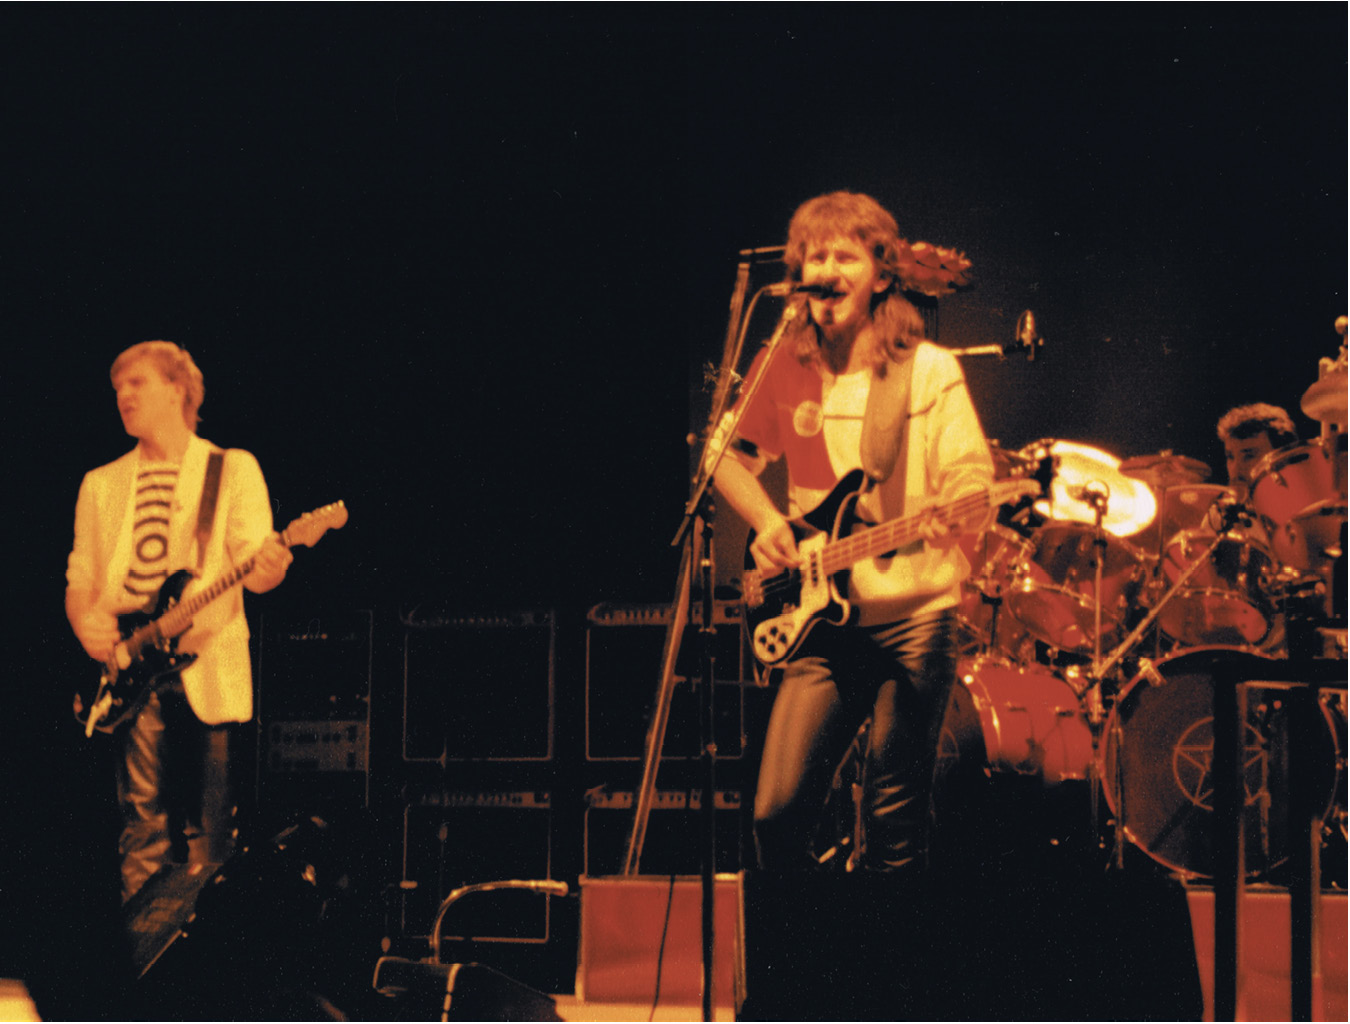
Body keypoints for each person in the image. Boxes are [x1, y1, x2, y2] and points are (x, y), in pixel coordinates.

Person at [711, 191, 994, 873]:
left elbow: (973, 482)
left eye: (844, 255)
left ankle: (884, 975)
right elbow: (723, 459)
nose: (825, 267)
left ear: (880, 274)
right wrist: (769, 521)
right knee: (775, 815)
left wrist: (956, 502)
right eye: (814, 255)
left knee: (892, 819)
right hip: (822, 617)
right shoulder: (784, 364)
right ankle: (807, 971)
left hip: (915, 615)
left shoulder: (925, 371)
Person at [66, 340, 292, 902]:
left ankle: (204, 974)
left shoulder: (231, 469)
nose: (123, 396)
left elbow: (255, 568)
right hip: (132, 665)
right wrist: (84, 622)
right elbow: (81, 579)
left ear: (177, 389)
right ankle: (143, 969)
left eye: (136, 383)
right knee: (140, 827)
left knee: (209, 833)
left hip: (206, 660)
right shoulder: (101, 483)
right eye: (117, 387)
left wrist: (274, 564)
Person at [1216, 402, 1298, 500]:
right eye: (1230, 456)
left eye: (1249, 456)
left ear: (1282, 459)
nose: (1235, 468)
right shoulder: (1217, 513)